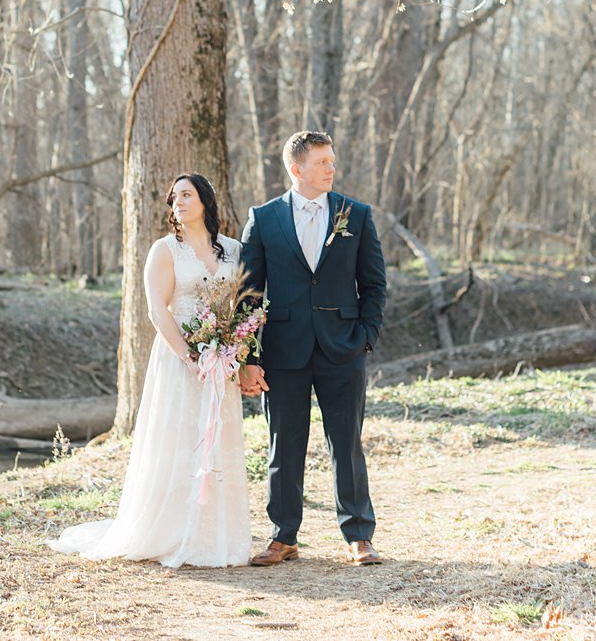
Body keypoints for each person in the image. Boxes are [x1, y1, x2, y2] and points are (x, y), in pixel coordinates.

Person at [49, 173, 251, 568]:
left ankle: (214, 536)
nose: (178, 202)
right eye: (174, 197)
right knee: (177, 439)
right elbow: (157, 310)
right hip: (180, 358)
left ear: (206, 201)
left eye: (187, 195)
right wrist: (189, 356)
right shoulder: (165, 250)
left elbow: (240, 305)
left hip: (220, 361)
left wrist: (230, 351)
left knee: (217, 440)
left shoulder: (233, 250)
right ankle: (171, 532)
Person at [238, 131, 387, 566]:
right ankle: (283, 537)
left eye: (332, 161)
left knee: (347, 444)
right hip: (284, 351)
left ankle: (359, 536)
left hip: (343, 348)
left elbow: (374, 284)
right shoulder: (264, 219)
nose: (331, 169)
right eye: (322, 161)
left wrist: (365, 337)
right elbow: (247, 293)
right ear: (296, 168)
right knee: (283, 446)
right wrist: (248, 357)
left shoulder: (354, 215)